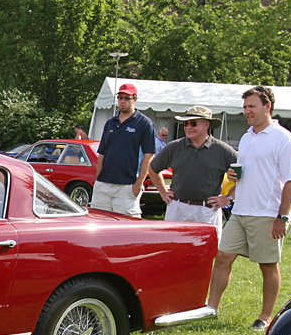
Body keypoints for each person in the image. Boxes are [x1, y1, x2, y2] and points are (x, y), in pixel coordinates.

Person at [207, 85, 291, 331]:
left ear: (267, 106)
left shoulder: (284, 139)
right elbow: (244, 175)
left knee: (268, 265)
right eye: (245, 107)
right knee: (223, 258)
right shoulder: (248, 137)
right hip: (240, 212)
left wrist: (283, 216)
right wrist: (230, 192)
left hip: (267, 214)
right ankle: (211, 308)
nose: (247, 112)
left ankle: (265, 317)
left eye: (251, 106)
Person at [147, 105, 238, 239]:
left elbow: (247, 175)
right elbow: (153, 169)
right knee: (173, 251)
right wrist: (163, 192)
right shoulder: (174, 147)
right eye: (185, 123)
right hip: (178, 208)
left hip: (207, 211)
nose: (188, 127)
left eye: (193, 123)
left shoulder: (223, 150)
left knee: (206, 254)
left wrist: (229, 198)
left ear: (206, 124)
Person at [90, 82, 156, 217]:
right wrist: (97, 180)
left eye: (126, 98)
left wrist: (138, 184)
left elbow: (148, 156)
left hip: (127, 185)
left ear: (135, 99)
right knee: (98, 224)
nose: (122, 101)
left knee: (125, 228)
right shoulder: (110, 123)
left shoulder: (144, 123)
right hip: (104, 183)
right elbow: (101, 153)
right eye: (120, 98)